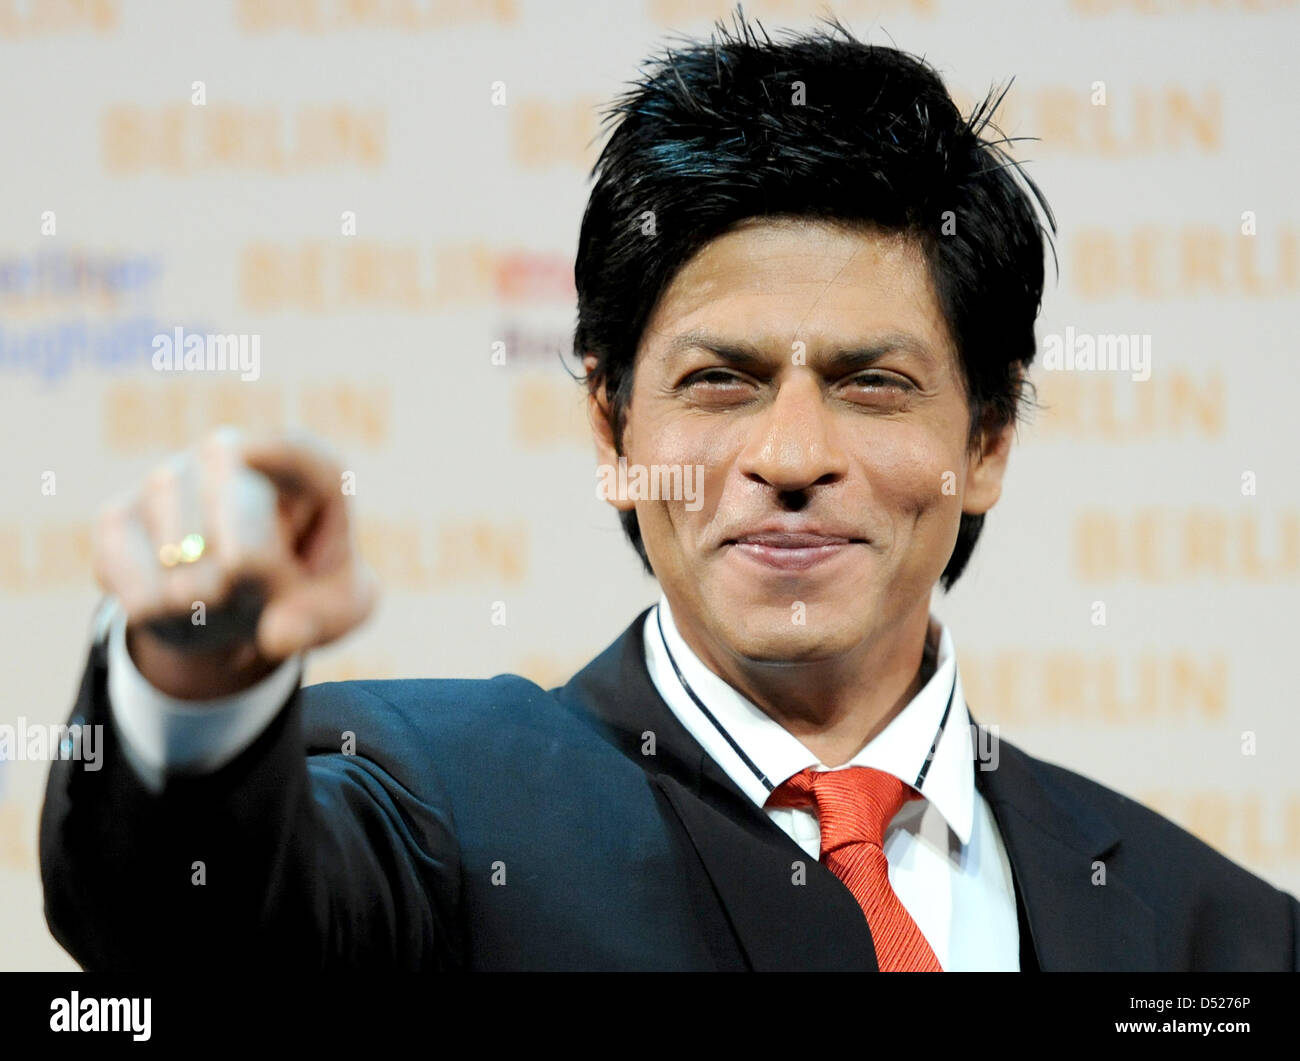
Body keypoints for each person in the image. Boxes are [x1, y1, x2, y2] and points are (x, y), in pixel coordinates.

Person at [40, 16, 1299, 971]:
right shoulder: (431, 802)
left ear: (988, 437)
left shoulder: (1219, 936)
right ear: (609, 420)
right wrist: (191, 672)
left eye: (870, 382)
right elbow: (190, 919)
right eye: (719, 381)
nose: (792, 454)